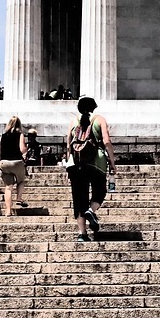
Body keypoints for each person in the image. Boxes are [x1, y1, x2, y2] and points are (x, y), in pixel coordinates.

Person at [64, 97, 118, 241]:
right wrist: (112, 162)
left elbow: (68, 143)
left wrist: (68, 163)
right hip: (96, 161)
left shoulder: (73, 121)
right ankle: (91, 210)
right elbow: (106, 141)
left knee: (79, 198)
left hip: (75, 163)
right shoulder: (99, 120)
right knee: (100, 191)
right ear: (94, 107)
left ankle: (82, 234)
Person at [0, 117, 29, 216]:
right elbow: (22, 149)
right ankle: (19, 199)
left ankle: (8, 210)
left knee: (8, 187)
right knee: (21, 180)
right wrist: (26, 149)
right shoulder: (20, 135)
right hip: (16, 161)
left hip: (4, 162)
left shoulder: (2, 135)